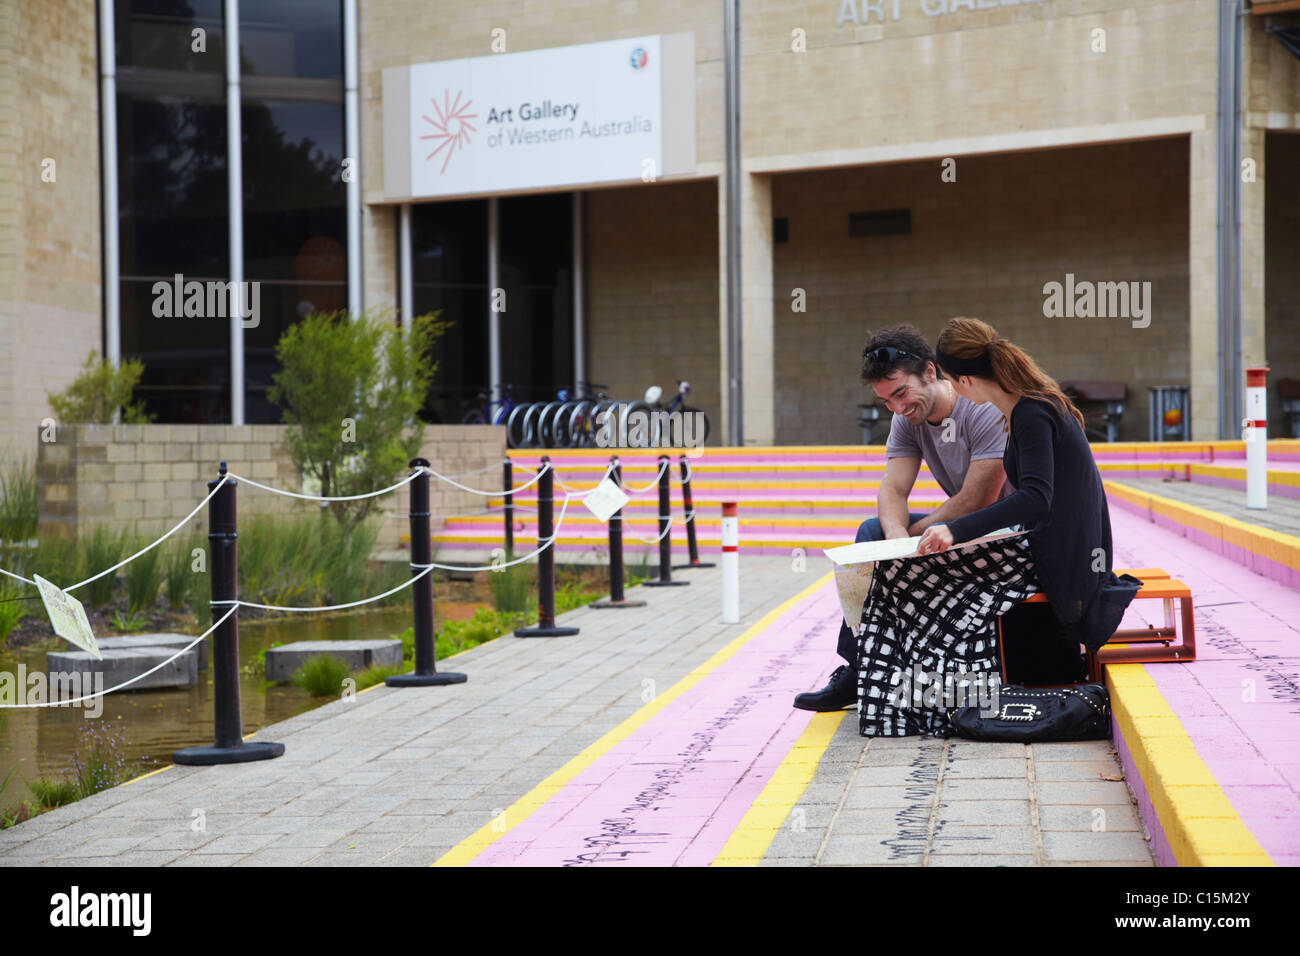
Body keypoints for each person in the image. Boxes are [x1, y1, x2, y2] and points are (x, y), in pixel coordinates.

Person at [855, 317, 1139, 736]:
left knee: (928, 585)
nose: (896, 408)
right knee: (899, 562)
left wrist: (953, 531)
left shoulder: (1030, 413)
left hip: (1060, 556)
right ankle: (898, 684)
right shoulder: (1026, 410)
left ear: (958, 379)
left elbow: (1035, 500)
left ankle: (928, 696)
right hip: (1042, 543)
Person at [793, 324, 1010, 712]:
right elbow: (892, 490)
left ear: (930, 372)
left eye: (900, 393)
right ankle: (859, 667)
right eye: (885, 401)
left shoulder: (980, 408)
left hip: (1003, 532)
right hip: (959, 530)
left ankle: (877, 668)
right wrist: (895, 541)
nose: (895, 408)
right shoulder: (906, 420)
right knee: (873, 531)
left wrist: (911, 538)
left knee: (887, 538)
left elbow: (978, 499)